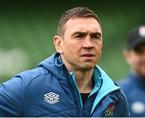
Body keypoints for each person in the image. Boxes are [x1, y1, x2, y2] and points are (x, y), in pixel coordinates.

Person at [0, 7, 129, 117]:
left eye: (95, 36)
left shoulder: (115, 96)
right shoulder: (30, 86)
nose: (88, 44)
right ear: (59, 44)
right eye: (79, 36)